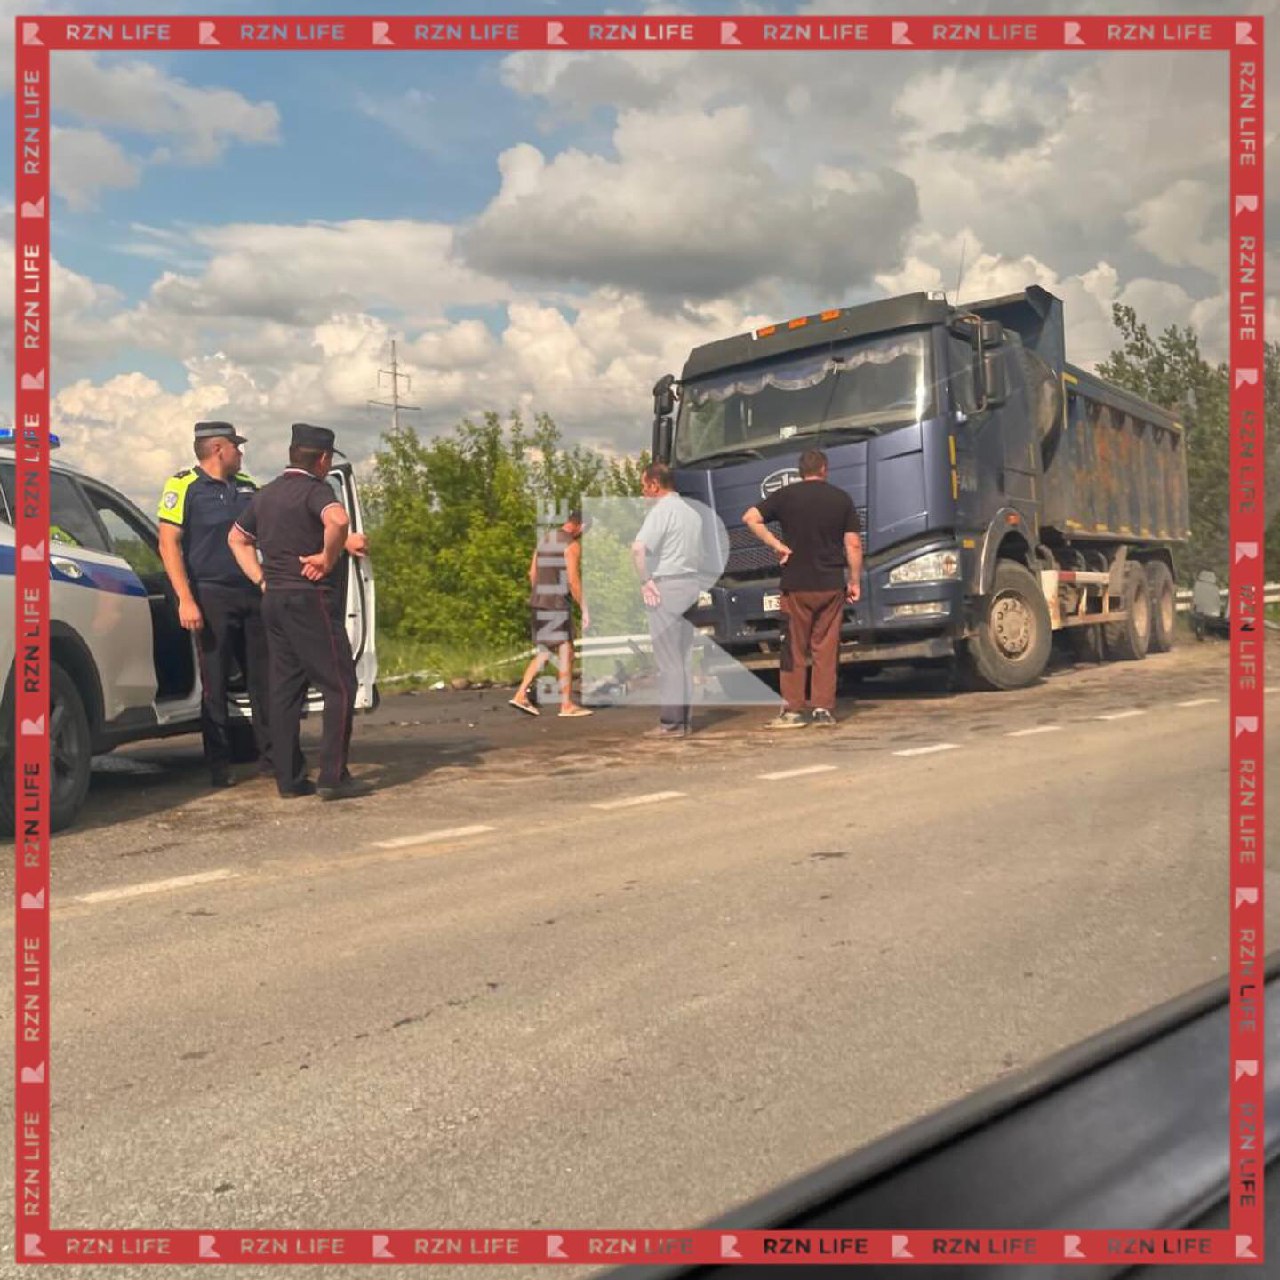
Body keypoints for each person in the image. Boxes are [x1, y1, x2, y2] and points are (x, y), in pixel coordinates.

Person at [228, 423, 371, 801]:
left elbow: (237, 538)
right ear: (323, 459)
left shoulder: (266, 495)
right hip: (310, 598)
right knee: (340, 685)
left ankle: (289, 779)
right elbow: (338, 520)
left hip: (273, 599)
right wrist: (327, 557)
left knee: (285, 690)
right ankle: (333, 776)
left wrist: (261, 579)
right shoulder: (315, 491)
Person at [157, 421, 272, 788]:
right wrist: (185, 599)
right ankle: (219, 765)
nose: (241, 453)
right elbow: (168, 544)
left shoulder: (248, 487)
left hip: (252, 592)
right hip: (210, 595)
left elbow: (271, 533)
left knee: (263, 680)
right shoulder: (182, 486)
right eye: (237, 446)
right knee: (216, 683)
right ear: (219, 448)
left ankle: (272, 758)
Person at [742, 448, 862, 728]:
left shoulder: (786, 496)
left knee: (793, 648)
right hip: (831, 585)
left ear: (800, 472)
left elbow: (750, 517)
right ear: (824, 469)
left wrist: (777, 546)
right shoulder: (841, 499)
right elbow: (853, 544)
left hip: (796, 585)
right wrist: (854, 580)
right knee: (825, 647)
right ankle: (823, 709)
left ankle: (793, 711)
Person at [631, 462, 707, 739]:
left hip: (667, 586)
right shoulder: (692, 514)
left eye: (643, 486)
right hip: (690, 585)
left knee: (668, 658)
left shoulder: (661, 510)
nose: (643, 492)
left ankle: (671, 724)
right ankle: (685, 721)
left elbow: (638, 548)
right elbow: (699, 555)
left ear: (654, 484)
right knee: (684, 656)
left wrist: (645, 580)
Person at [509, 510, 593, 718]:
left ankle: (521, 694)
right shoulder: (571, 545)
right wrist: (584, 608)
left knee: (546, 650)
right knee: (566, 651)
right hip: (556, 604)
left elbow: (532, 573)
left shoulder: (546, 539)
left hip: (538, 601)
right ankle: (566, 705)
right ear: (580, 526)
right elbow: (573, 581)